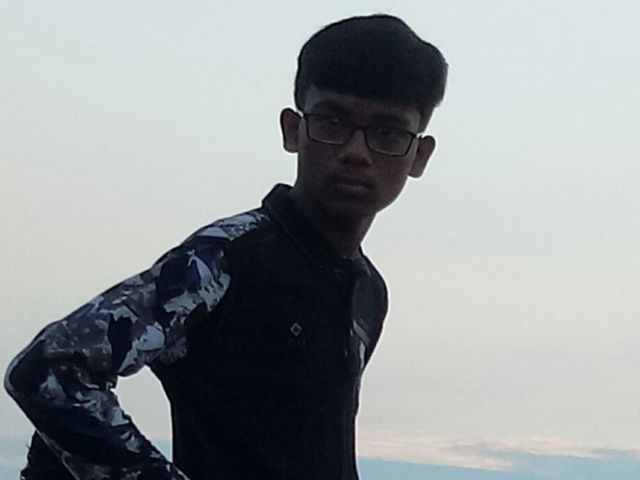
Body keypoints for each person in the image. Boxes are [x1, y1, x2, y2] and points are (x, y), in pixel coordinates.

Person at [5, 13, 448, 480]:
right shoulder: (223, 261)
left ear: (419, 155)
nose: (356, 152)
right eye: (332, 122)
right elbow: (48, 368)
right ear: (293, 130)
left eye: (387, 133)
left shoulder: (367, 291)